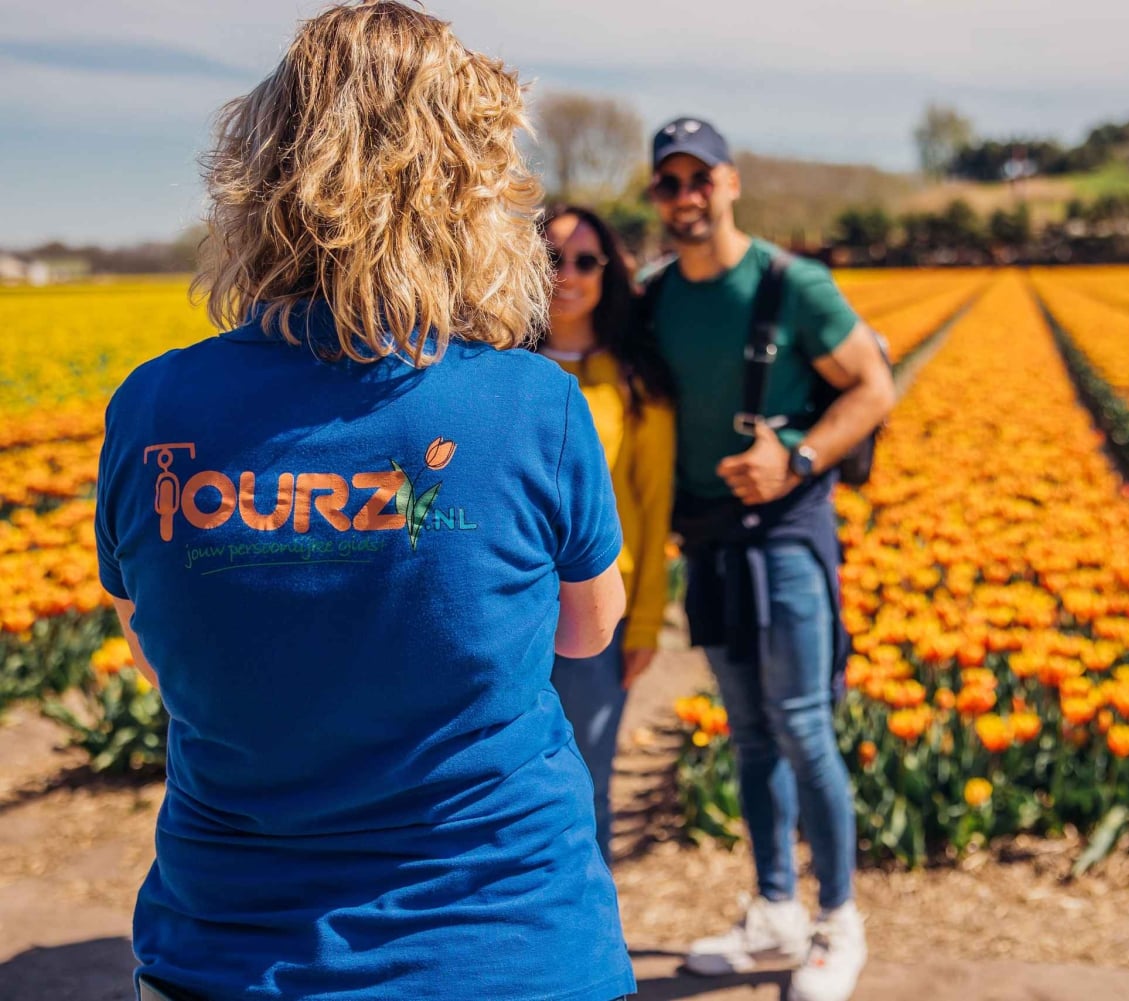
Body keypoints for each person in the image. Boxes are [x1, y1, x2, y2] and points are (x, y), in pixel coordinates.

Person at [93, 4, 635, 1000]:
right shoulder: (532, 405)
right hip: (502, 944)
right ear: (471, 188)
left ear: (259, 174)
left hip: (229, 949)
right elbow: (589, 630)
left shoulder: (155, 405)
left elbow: (162, 655)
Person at [642, 116, 896, 1001]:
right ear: (656, 198)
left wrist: (793, 455)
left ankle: (840, 921)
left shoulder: (794, 286)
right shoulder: (657, 297)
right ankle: (777, 907)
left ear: (731, 182)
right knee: (749, 733)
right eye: (669, 183)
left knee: (801, 721)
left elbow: (874, 384)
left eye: (699, 178)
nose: (686, 196)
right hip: (709, 539)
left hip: (788, 528)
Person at [539, 204, 676, 865]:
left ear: (608, 273)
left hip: (599, 610)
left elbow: (654, 510)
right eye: (552, 256)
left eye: (585, 260)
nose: (567, 273)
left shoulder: (634, 382)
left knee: (585, 776)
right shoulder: (497, 366)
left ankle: (583, 941)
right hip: (506, 609)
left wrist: (646, 621)